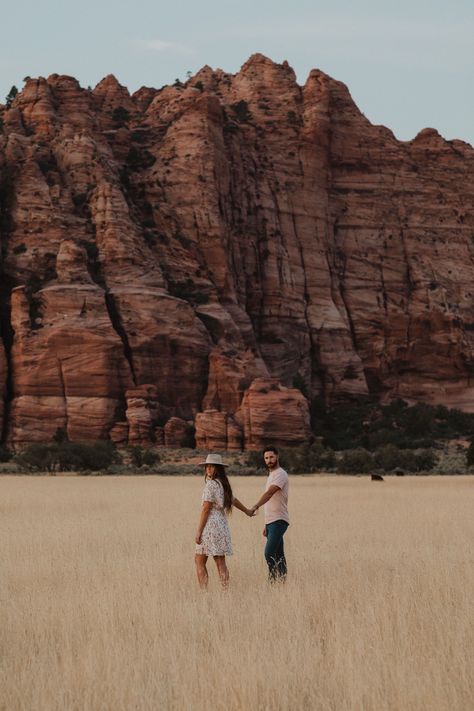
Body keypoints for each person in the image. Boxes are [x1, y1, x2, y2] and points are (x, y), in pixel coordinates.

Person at [195, 453, 254, 588]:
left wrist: (199, 531)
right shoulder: (223, 484)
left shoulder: (211, 485)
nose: (208, 469)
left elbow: (206, 509)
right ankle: (225, 592)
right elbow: (233, 500)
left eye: (212, 466)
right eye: (207, 466)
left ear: (218, 468)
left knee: (199, 561)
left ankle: (203, 593)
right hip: (222, 525)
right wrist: (247, 511)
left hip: (210, 526)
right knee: (220, 562)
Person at [251, 446, 289, 582]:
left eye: (271, 457)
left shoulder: (280, 474)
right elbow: (271, 502)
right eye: (266, 458)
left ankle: (273, 581)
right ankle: (282, 582)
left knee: (269, 553)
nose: (269, 460)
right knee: (278, 555)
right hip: (272, 522)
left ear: (277, 456)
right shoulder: (271, 475)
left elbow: (269, 494)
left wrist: (255, 506)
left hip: (279, 521)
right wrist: (266, 524)